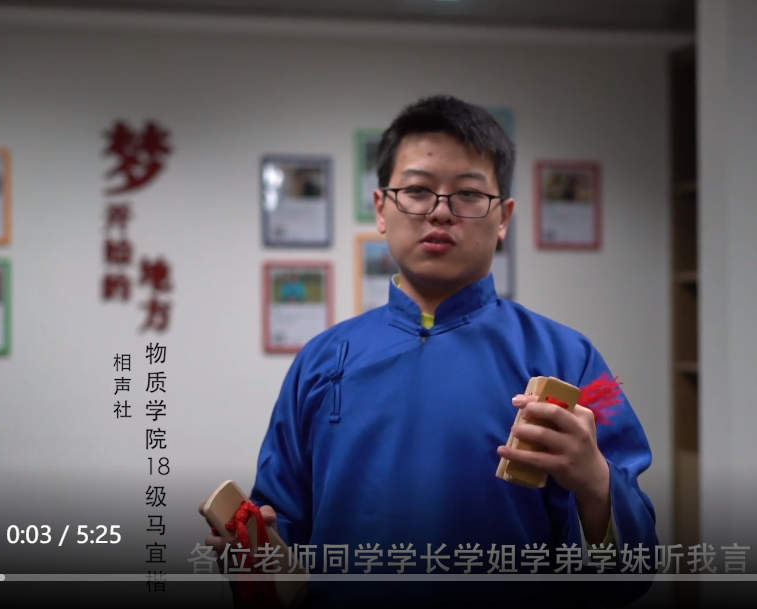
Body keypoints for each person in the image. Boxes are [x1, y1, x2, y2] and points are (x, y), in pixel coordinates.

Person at [202, 95, 658, 608]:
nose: (440, 211)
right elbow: (280, 534)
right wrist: (253, 554)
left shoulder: (569, 359)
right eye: (417, 191)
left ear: (503, 217)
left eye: (468, 194)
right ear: (381, 208)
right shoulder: (322, 360)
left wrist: (595, 483)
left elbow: (633, 569)